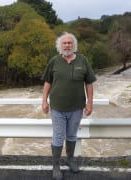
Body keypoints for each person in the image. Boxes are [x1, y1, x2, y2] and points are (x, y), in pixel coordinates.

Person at [41, 32, 96, 180]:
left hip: (77, 107)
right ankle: (56, 165)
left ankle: (70, 159)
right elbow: (47, 82)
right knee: (58, 136)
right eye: (64, 43)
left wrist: (90, 103)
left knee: (72, 135)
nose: (67, 45)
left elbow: (89, 83)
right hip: (58, 107)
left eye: (69, 43)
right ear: (60, 45)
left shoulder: (83, 60)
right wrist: (44, 101)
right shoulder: (54, 61)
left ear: (74, 45)